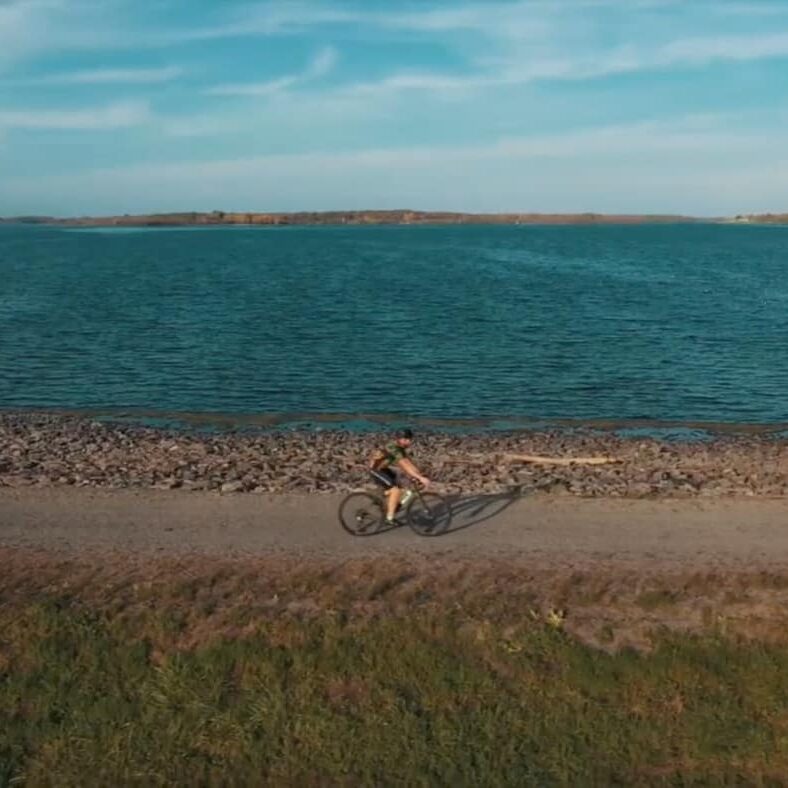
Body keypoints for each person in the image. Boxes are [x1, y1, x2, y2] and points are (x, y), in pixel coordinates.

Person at [369, 428, 430, 524]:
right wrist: (420, 478)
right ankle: (389, 519)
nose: (409, 441)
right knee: (396, 491)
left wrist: (419, 474)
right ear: (399, 439)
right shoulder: (393, 448)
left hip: (384, 469)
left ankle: (385, 499)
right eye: (406, 439)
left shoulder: (400, 448)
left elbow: (408, 463)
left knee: (400, 487)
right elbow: (404, 464)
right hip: (376, 470)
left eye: (409, 439)